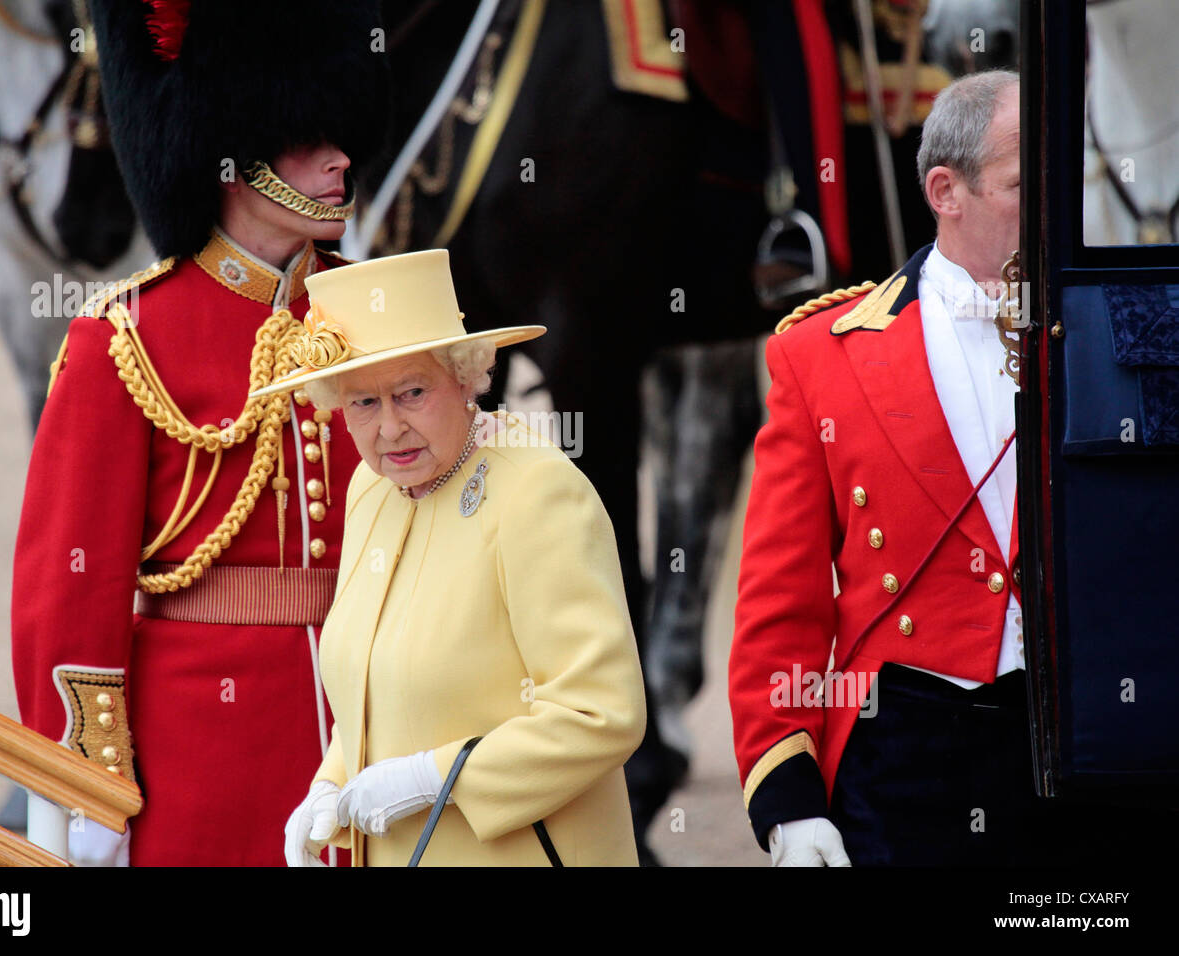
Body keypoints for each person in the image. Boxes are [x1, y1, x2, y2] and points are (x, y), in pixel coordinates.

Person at [10, 0, 388, 865]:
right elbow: (71, 591)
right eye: (307, 136)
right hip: (206, 751)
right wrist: (88, 783)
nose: (342, 159)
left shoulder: (378, 309)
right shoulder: (123, 338)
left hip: (378, 726)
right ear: (233, 151)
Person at [728, 70, 1066, 866]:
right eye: (1026, 185)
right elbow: (783, 598)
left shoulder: (1116, 329)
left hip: (1079, 745)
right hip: (904, 758)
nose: (1055, 208)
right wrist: (787, 798)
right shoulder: (818, 356)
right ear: (946, 191)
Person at [273, 249, 648, 866]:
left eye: (411, 392)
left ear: (466, 377)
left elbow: (601, 711)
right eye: (363, 403)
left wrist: (435, 777)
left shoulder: (535, 492)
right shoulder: (372, 491)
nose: (389, 428)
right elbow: (372, 682)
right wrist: (330, 784)